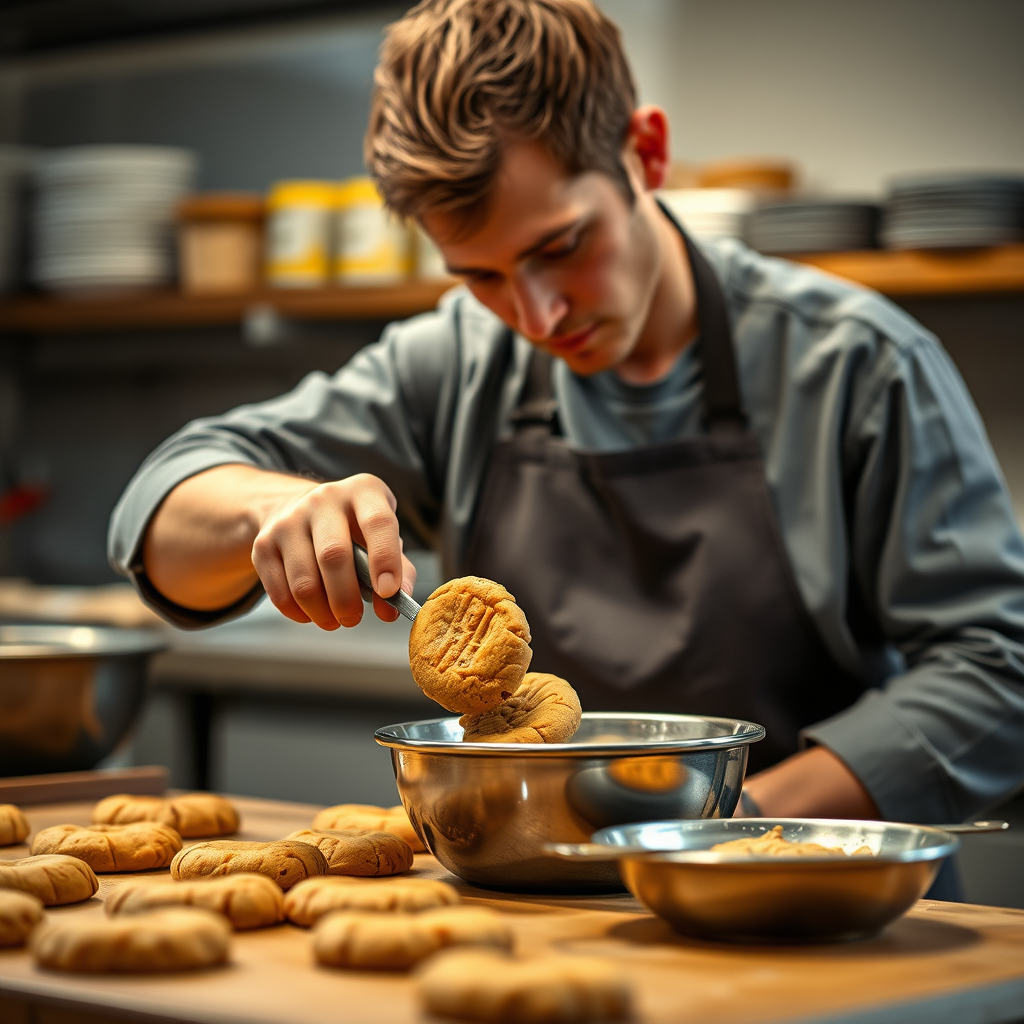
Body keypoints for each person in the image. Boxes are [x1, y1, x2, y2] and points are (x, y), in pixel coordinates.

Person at [110, 0, 1024, 838]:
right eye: (482, 275)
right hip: (536, 901)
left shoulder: (857, 365)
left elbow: (997, 670)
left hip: (804, 898)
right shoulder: (459, 360)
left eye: (562, 246)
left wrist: (732, 817)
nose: (537, 315)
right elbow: (159, 512)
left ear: (646, 154)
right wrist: (266, 508)